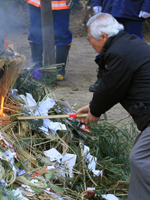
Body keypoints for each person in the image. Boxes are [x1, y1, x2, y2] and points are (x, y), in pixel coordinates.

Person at [74, 13, 150, 199]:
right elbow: (112, 87)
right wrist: (93, 106)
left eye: (90, 38)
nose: (89, 42)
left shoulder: (119, 53)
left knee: (140, 159)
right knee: (141, 151)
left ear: (103, 37)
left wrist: (95, 111)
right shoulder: (127, 44)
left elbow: (111, 87)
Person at [89, 0, 150, 92]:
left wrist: (147, 5)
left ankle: (136, 80)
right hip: (110, 7)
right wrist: (96, 2)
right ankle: (104, 77)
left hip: (133, 8)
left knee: (134, 46)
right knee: (105, 43)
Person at [27, 0, 72, 80]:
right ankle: (37, 67)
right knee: (36, 32)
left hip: (61, 4)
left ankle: (59, 68)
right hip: (37, 3)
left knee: (61, 33)